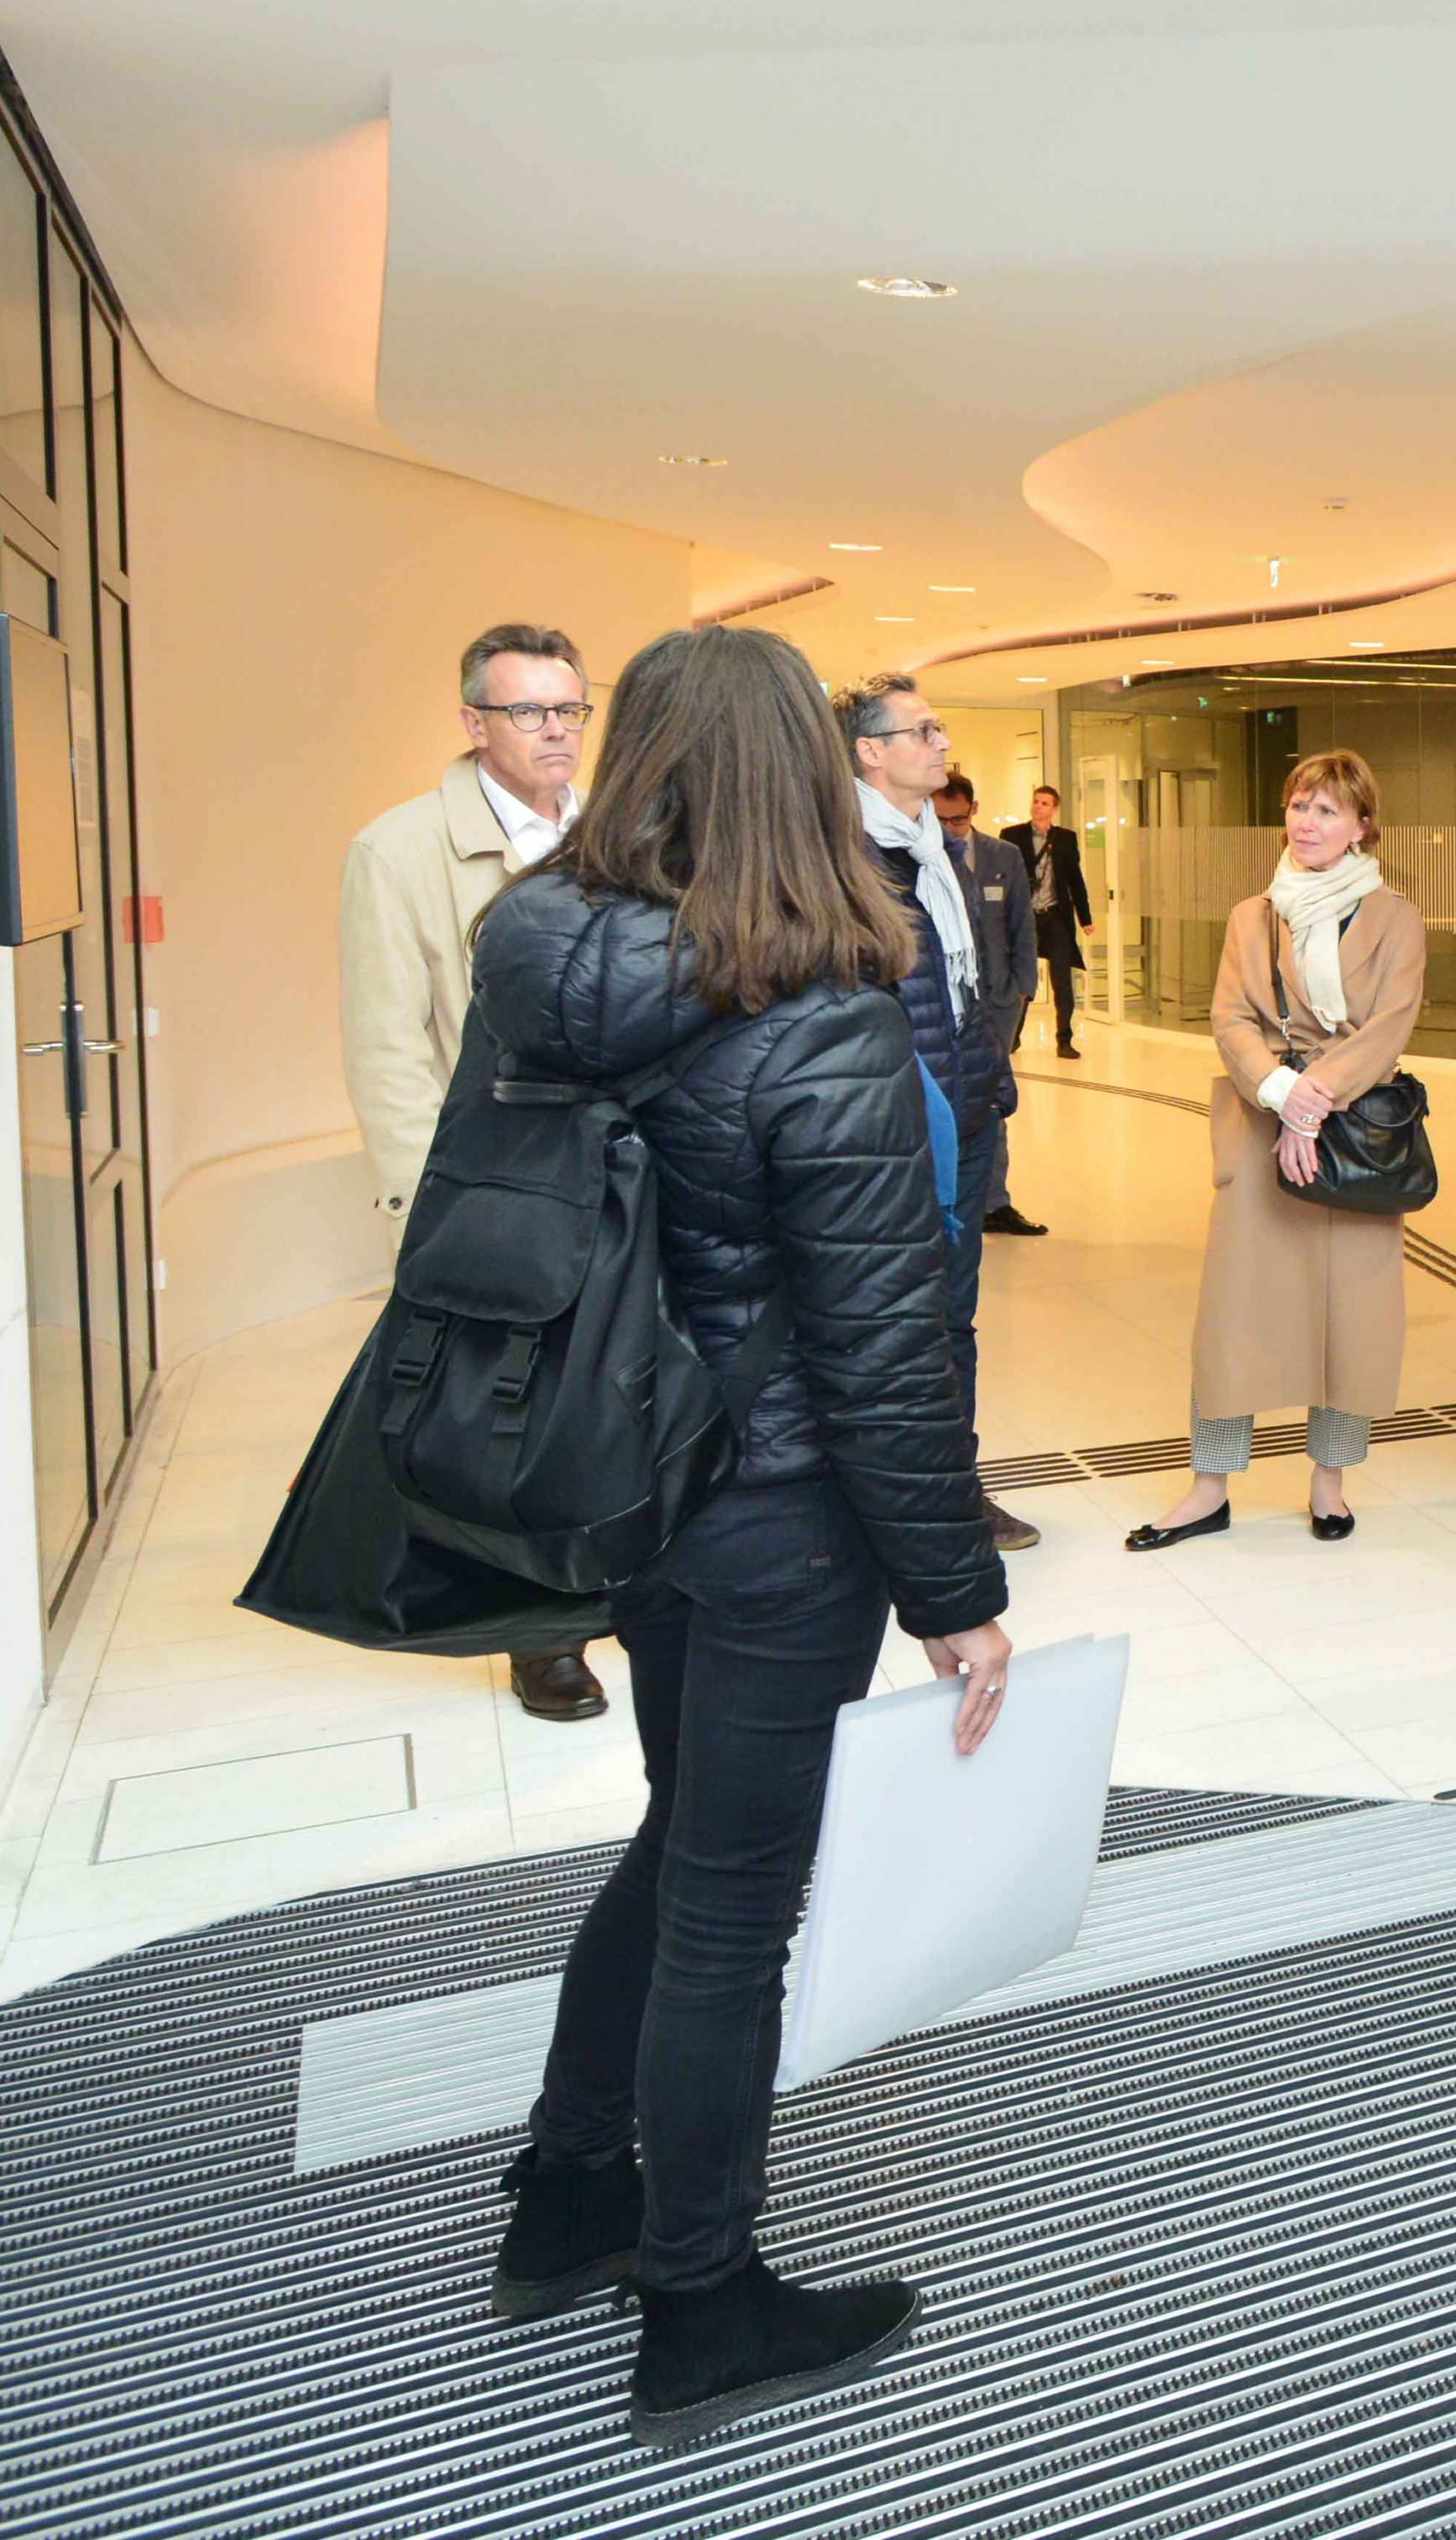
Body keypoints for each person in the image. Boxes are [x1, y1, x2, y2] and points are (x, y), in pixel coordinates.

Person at [468, 622, 1009, 2443]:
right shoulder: (820, 1006)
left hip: (627, 1484)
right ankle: (698, 2297)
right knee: (730, 1902)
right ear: (797, 777)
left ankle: (570, 2187)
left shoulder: (538, 964)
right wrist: (953, 1589)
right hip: (777, 1517)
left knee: (680, 1826)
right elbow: (879, 1346)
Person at [337, 621, 612, 1727]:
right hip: (500, 1181)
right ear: (473, 722)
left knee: (619, 1391)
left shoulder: (623, 831)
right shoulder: (398, 851)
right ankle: (543, 1633)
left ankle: (631, 1577)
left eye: (570, 708)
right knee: (518, 1413)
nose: (557, 730)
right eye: (529, 710)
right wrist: (428, 1211)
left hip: (625, 1166)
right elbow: (387, 1048)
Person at [1137, 750, 1422, 1547]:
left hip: (1355, 1137)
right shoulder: (1252, 915)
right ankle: (1208, 1487)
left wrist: (1313, 1103)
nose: (1307, 822)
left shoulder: (1396, 918)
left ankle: (1329, 1483)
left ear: (1362, 825)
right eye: (1300, 805)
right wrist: (1280, 1093)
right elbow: (1230, 1017)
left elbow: (1390, 1026)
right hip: (1262, 1128)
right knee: (1234, 1318)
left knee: (1350, 1321)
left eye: (1328, 810)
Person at [842, 677, 1034, 1554]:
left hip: (963, 1114)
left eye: (938, 727)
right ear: (868, 752)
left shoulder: (934, 849)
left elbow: (964, 985)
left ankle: (956, 1492)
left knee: (953, 1319)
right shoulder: (844, 858)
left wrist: (990, 1080)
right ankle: (888, 1508)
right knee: (891, 1326)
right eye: (921, 730)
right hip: (892, 1133)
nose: (941, 742)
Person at [937, 773, 1046, 1240]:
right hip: (945, 1002)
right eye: (940, 820)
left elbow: (1022, 924)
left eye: (958, 819)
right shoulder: (924, 857)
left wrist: (1024, 988)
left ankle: (993, 1202)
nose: (950, 829)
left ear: (974, 810)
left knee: (994, 1100)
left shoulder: (1003, 856)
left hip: (999, 999)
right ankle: (950, 1201)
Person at [1008, 784, 1092, 1057]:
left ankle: (1064, 1040)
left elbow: (1075, 880)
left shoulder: (1065, 838)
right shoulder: (1012, 836)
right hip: (1025, 918)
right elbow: (1004, 879)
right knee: (1023, 980)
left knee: (1062, 982)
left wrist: (1085, 918)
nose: (1038, 806)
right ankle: (1012, 1037)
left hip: (1055, 917)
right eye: (1036, 801)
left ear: (1054, 809)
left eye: (1044, 803)